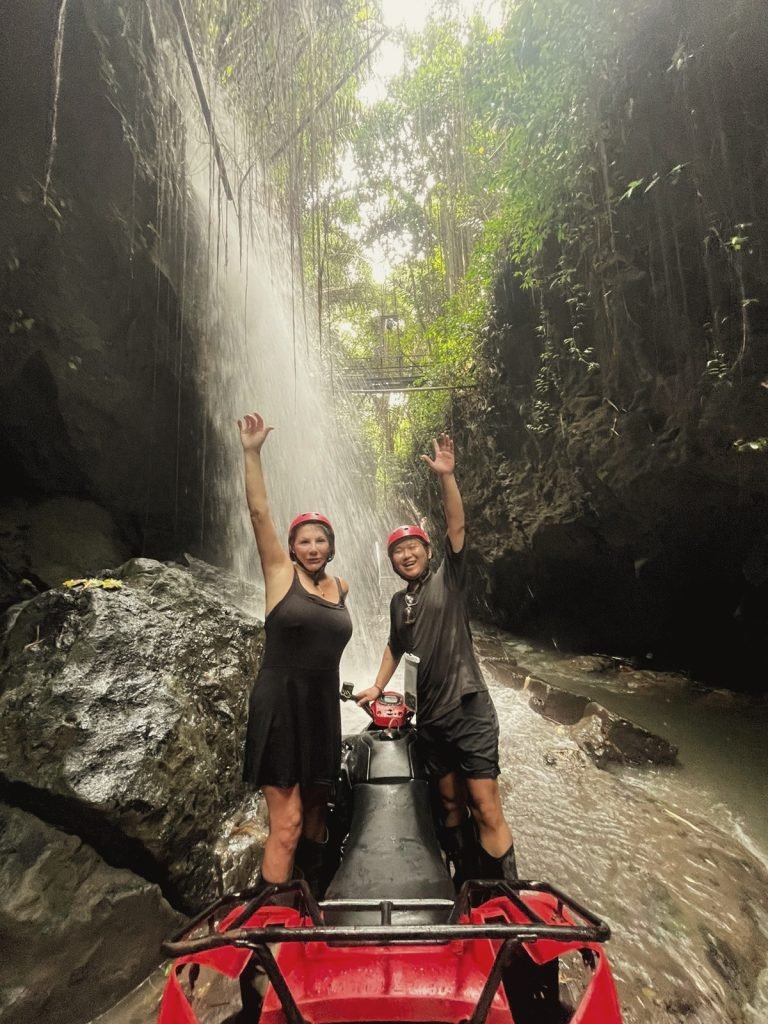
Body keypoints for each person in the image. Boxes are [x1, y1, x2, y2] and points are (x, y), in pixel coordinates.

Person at [355, 433, 517, 883]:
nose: (406, 555)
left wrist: (447, 477)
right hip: (428, 719)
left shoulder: (450, 579)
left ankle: (502, 898)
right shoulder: (396, 602)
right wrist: (377, 685)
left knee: (485, 804)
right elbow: (394, 645)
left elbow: (457, 527)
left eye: (413, 548)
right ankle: (465, 885)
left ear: (427, 552)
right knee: (448, 805)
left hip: (467, 707)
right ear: (392, 562)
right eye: (398, 552)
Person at [239, 412, 352, 894]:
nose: (312, 546)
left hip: (322, 707)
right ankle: (274, 935)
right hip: (282, 703)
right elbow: (259, 513)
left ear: (330, 545)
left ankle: (314, 906)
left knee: (316, 817)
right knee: (284, 825)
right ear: (290, 547)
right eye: (303, 540)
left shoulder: (341, 586)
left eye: (319, 539)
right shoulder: (280, 575)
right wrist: (252, 452)